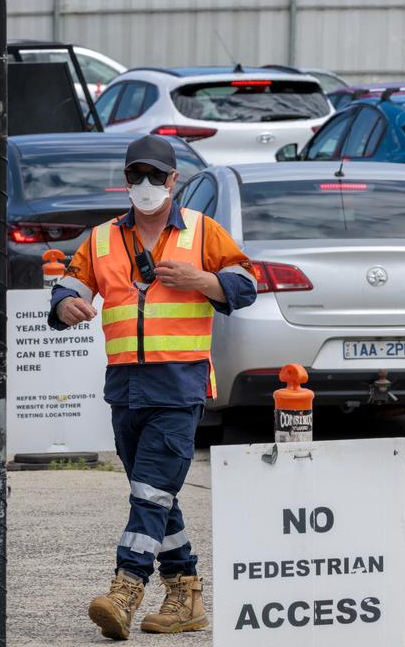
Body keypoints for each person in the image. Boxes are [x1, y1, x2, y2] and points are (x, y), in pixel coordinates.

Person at [48, 134, 256, 640]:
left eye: (155, 176)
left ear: (173, 180)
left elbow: (247, 283)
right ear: (125, 181)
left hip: (178, 385)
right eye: (136, 176)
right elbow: (69, 288)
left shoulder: (203, 233)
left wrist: (202, 280)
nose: (146, 185)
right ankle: (186, 593)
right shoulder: (100, 240)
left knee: (150, 492)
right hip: (124, 387)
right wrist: (63, 307)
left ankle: (126, 588)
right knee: (156, 494)